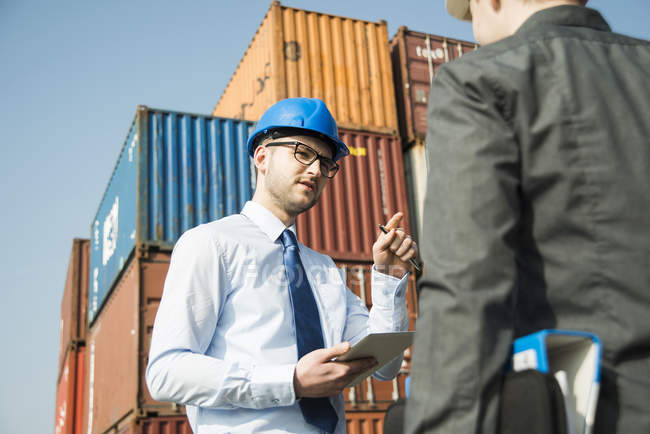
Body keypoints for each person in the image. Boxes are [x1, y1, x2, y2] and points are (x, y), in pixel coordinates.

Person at [406, 0, 650, 433]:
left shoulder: (480, 80)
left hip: (600, 413)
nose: (474, 30)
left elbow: (467, 286)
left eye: (469, 15)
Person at [146, 97, 418, 433]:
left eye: (326, 163)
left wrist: (389, 277)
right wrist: (290, 381)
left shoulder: (323, 269)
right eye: (303, 153)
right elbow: (166, 373)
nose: (317, 169)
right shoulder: (211, 244)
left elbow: (386, 367)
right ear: (262, 157)